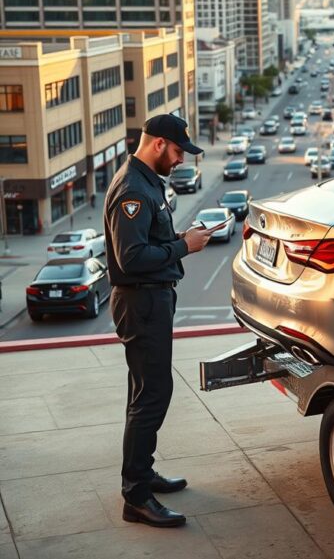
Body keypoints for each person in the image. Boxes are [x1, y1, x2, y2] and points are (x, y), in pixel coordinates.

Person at [103, 114, 225, 528]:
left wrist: (179, 241)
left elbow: (149, 243)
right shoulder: (133, 189)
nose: (179, 161)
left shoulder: (147, 181)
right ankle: (136, 495)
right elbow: (131, 258)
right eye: (176, 152)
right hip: (141, 304)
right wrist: (184, 247)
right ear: (157, 144)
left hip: (151, 301)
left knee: (147, 393)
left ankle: (142, 474)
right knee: (151, 396)